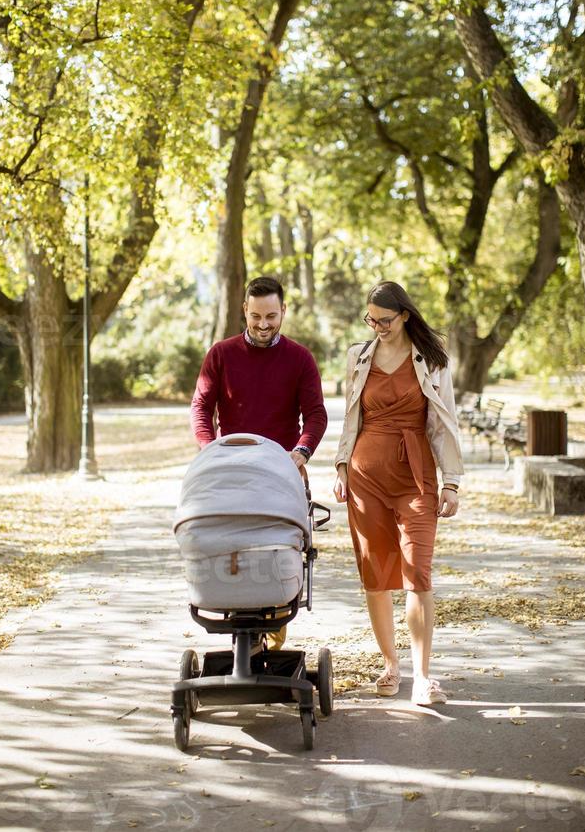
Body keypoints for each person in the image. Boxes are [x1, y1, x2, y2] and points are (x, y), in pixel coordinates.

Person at [333, 280, 463, 706]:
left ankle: (423, 678)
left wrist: (452, 481)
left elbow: (445, 424)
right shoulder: (359, 356)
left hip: (416, 477)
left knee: (417, 575)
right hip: (365, 478)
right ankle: (391, 663)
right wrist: (340, 467)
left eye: (384, 320)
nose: (377, 327)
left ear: (405, 315)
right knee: (376, 576)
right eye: (370, 319)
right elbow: (351, 416)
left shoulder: (433, 361)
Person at [191, 275, 328, 649]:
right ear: (244, 311)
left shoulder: (299, 358)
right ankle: (240, 621)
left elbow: (315, 415)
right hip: (230, 471)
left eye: (271, 315)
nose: (264, 324)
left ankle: (274, 618)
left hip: (281, 473)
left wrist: (299, 454)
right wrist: (208, 448)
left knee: (278, 549)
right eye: (256, 316)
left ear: (283, 310)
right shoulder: (221, 355)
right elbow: (202, 408)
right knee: (227, 542)